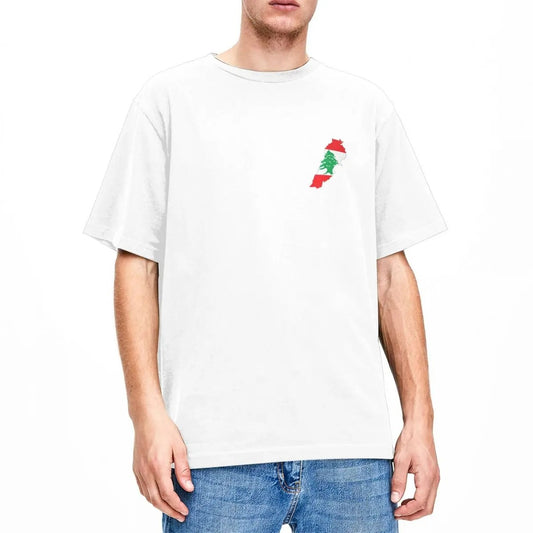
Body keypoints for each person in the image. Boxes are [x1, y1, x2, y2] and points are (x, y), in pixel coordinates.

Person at [82, 1, 446, 531]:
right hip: (209, 456)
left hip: (354, 453)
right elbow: (137, 265)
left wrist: (420, 421)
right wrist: (145, 414)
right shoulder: (170, 101)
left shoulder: (364, 107)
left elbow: (390, 273)